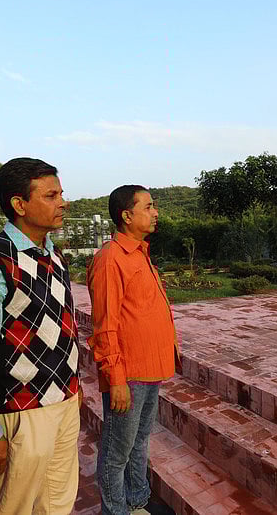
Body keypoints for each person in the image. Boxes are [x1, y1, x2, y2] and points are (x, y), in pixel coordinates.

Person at [0, 157, 80, 515]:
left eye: (61, 193)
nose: (62, 203)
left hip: (63, 404)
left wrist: (73, 386)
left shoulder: (54, 255)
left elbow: (60, 328)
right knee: (15, 506)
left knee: (57, 503)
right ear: (19, 204)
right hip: (20, 413)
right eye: (51, 195)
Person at [87, 185, 179, 515]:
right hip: (128, 375)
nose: (155, 212)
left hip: (149, 369)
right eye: (149, 206)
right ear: (127, 215)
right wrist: (116, 379)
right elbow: (105, 326)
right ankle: (116, 510)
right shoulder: (111, 259)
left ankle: (137, 500)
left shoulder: (139, 252)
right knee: (116, 453)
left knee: (139, 441)